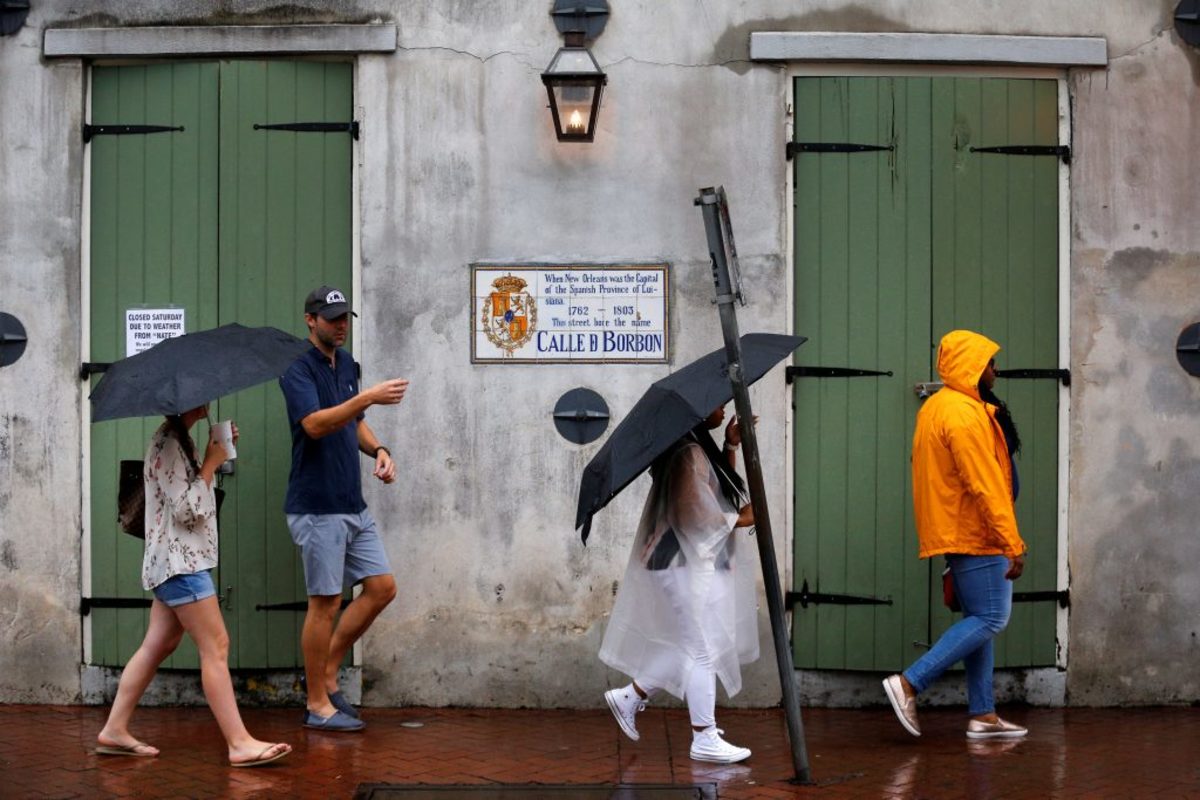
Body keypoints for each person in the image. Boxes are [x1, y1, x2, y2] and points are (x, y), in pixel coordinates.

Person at [96, 407, 292, 767]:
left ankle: (114, 729)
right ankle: (239, 743)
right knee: (216, 646)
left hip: (175, 561)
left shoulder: (179, 440)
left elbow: (187, 498)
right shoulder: (169, 443)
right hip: (180, 564)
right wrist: (213, 462)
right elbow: (186, 510)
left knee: (158, 645)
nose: (206, 400)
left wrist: (212, 451)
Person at [883, 329, 1028, 741]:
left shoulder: (941, 407)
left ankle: (983, 715)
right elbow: (985, 484)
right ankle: (909, 682)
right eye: (989, 362)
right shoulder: (963, 414)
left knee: (976, 618)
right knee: (990, 617)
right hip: (976, 533)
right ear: (973, 367)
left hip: (961, 530)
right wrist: (1010, 542)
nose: (995, 369)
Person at [279, 285, 409, 732]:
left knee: (382, 588)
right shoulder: (296, 368)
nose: (341, 324)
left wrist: (380, 450)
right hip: (316, 507)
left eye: (344, 317)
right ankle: (317, 704)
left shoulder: (348, 363)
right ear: (309, 320)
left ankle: (327, 671)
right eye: (331, 317)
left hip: (351, 502)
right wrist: (366, 397)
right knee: (325, 603)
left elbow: (353, 423)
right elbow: (315, 424)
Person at [599, 405, 759, 764]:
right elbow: (695, 511)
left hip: (680, 562)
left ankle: (630, 696)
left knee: (694, 644)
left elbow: (717, 495)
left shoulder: (696, 448)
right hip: (679, 562)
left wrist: (730, 446)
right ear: (700, 413)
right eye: (717, 406)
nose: (723, 411)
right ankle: (703, 737)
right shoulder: (688, 453)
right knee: (701, 647)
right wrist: (740, 519)